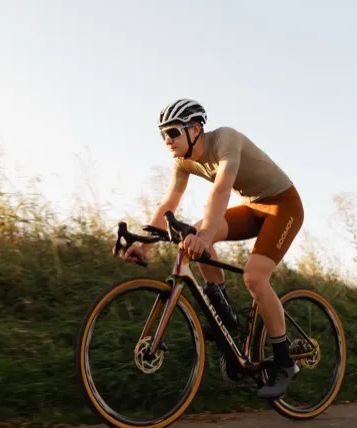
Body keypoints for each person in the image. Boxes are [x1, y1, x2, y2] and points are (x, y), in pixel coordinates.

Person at [119, 98, 304, 399]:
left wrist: (205, 235)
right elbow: (168, 204)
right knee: (190, 237)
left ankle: (284, 364)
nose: (167, 140)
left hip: (283, 206)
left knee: (255, 277)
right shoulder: (182, 162)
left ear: (195, 129)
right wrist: (144, 246)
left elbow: (221, 190)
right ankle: (227, 316)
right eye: (163, 134)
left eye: (173, 132)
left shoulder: (225, 140)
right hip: (252, 208)